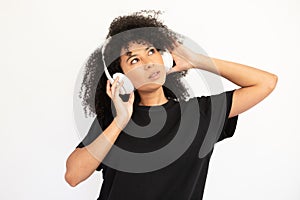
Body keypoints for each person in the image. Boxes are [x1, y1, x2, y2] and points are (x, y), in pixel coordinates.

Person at [65, 10, 278, 200]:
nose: (148, 62)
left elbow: (265, 83)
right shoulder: (114, 119)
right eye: (134, 60)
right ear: (121, 77)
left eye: (151, 52)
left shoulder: (200, 114)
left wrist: (197, 60)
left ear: (164, 58)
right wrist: (120, 121)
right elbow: (73, 176)